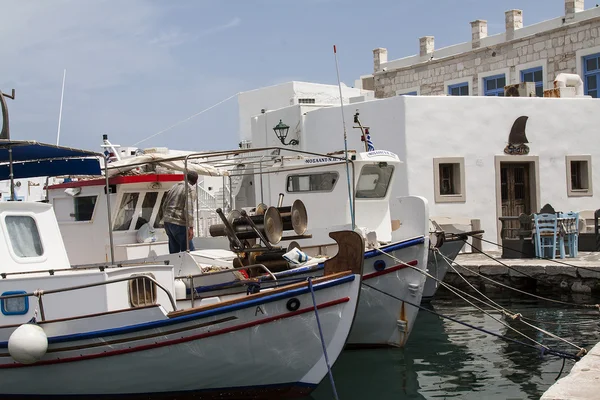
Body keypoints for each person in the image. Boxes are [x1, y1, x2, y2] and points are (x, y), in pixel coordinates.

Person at [162, 170, 198, 253]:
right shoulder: (190, 189)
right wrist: (191, 227)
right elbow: (189, 209)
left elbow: (164, 205)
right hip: (179, 223)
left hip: (168, 222)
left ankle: (175, 265)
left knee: (174, 252)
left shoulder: (174, 187)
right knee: (189, 252)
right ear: (195, 181)